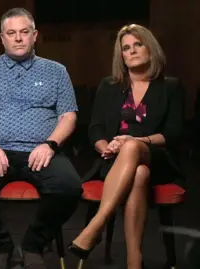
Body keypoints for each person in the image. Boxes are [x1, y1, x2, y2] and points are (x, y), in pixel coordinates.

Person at [0, 8, 82, 269]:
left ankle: (33, 244)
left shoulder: (56, 71)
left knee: (69, 187)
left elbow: (68, 116)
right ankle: (0, 244)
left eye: (24, 32)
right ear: (2, 38)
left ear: (34, 35)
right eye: (11, 33)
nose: (18, 38)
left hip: (42, 151)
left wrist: (50, 145)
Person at [68, 24, 185, 269]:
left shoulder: (170, 86)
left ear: (150, 49)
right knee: (139, 173)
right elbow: (95, 129)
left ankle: (95, 227)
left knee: (132, 148)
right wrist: (105, 148)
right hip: (114, 161)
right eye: (126, 48)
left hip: (156, 157)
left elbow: (173, 134)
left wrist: (136, 142)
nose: (131, 51)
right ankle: (135, 260)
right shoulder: (109, 86)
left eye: (137, 45)